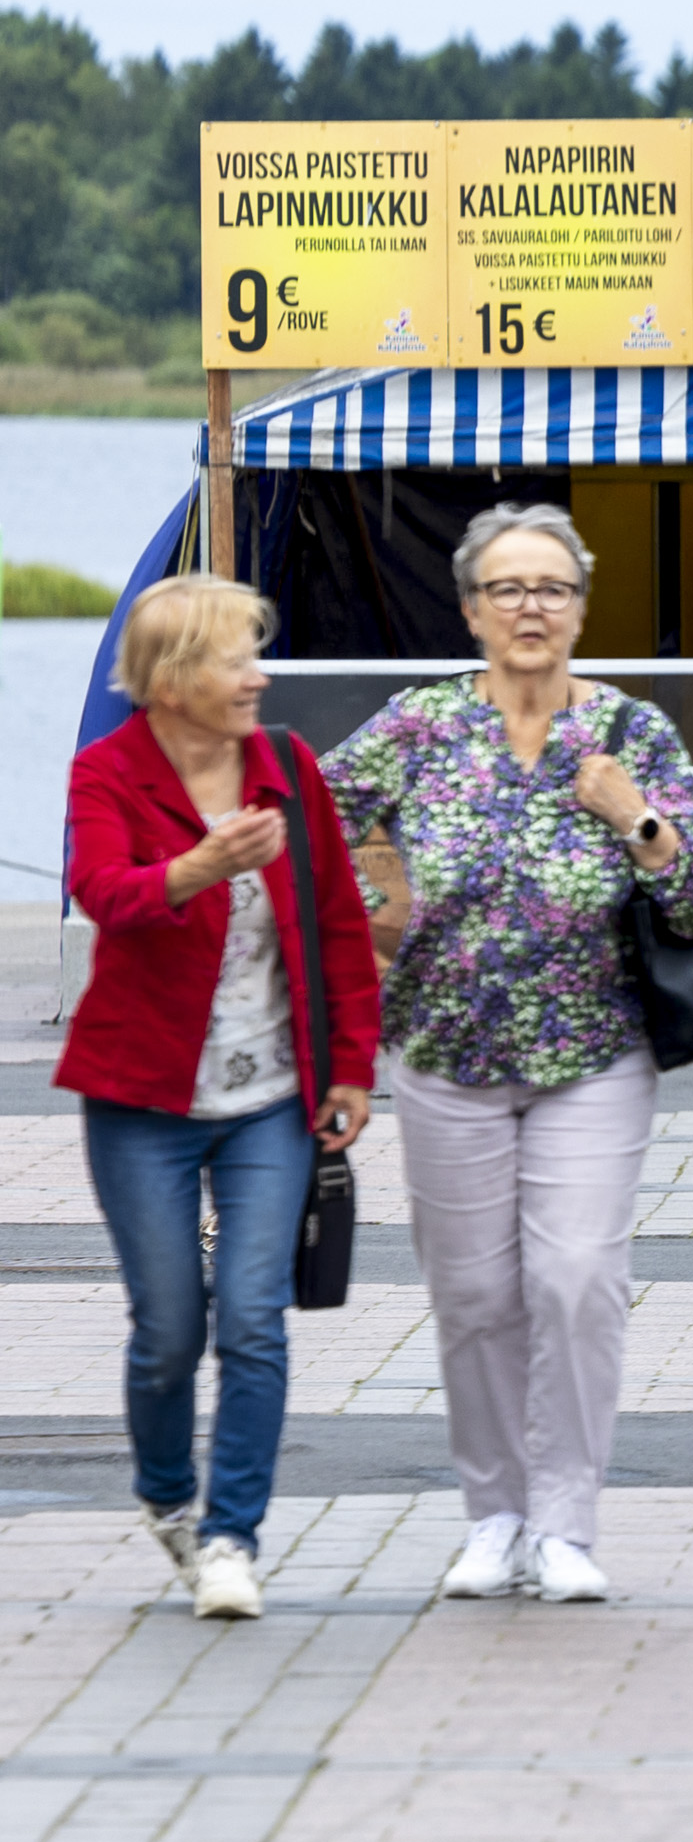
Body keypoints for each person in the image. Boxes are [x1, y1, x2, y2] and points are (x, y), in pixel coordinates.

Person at [325, 502, 693, 1606]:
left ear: (580, 607)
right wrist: (377, 899)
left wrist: (635, 821)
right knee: (472, 1296)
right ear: (470, 608)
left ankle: (564, 1523)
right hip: (443, 1050)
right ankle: (494, 1515)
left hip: (593, 1054)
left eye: (551, 589)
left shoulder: (631, 733)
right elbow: (310, 816)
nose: (530, 608)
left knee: (575, 1282)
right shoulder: (417, 727)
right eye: (507, 589)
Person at [60, 574, 379, 1623]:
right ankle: (164, 1497)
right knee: (168, 1329)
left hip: (270, 1101)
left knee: (253, 1317)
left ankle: (231, 1536)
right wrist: (197, 866)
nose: (260, 676)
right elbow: (102, 893)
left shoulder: (287, 767)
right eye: (238, 657)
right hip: (140, 1100)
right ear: (172, 679)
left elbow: (338, 920)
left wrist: (350, 1067)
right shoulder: (105, 773)